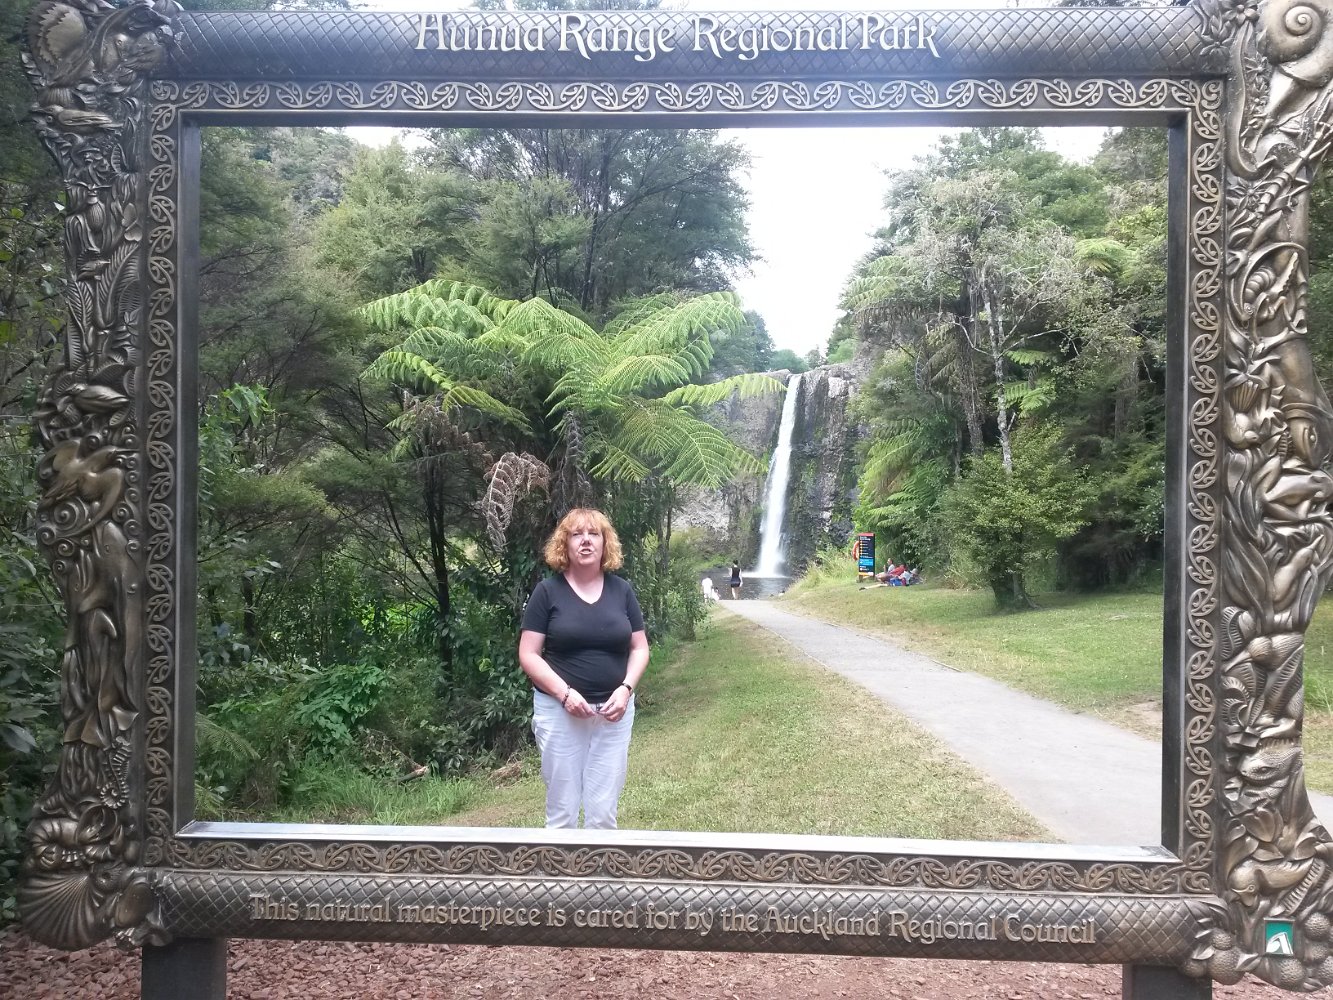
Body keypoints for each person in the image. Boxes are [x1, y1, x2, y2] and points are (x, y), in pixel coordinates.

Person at [518, 508, 649, 829]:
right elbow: (528, 654)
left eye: (594, 534)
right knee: (562, 812)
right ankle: (560, 864)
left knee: (603, 814)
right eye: (577, 534)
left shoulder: (622, 591)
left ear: (606, 543)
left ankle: (600, 864)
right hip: (559, 712)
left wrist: (626, 689)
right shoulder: (547, 592)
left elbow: (640, 648)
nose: (586, 541)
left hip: (614, 714)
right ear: (565, 544)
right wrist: (565, 695)